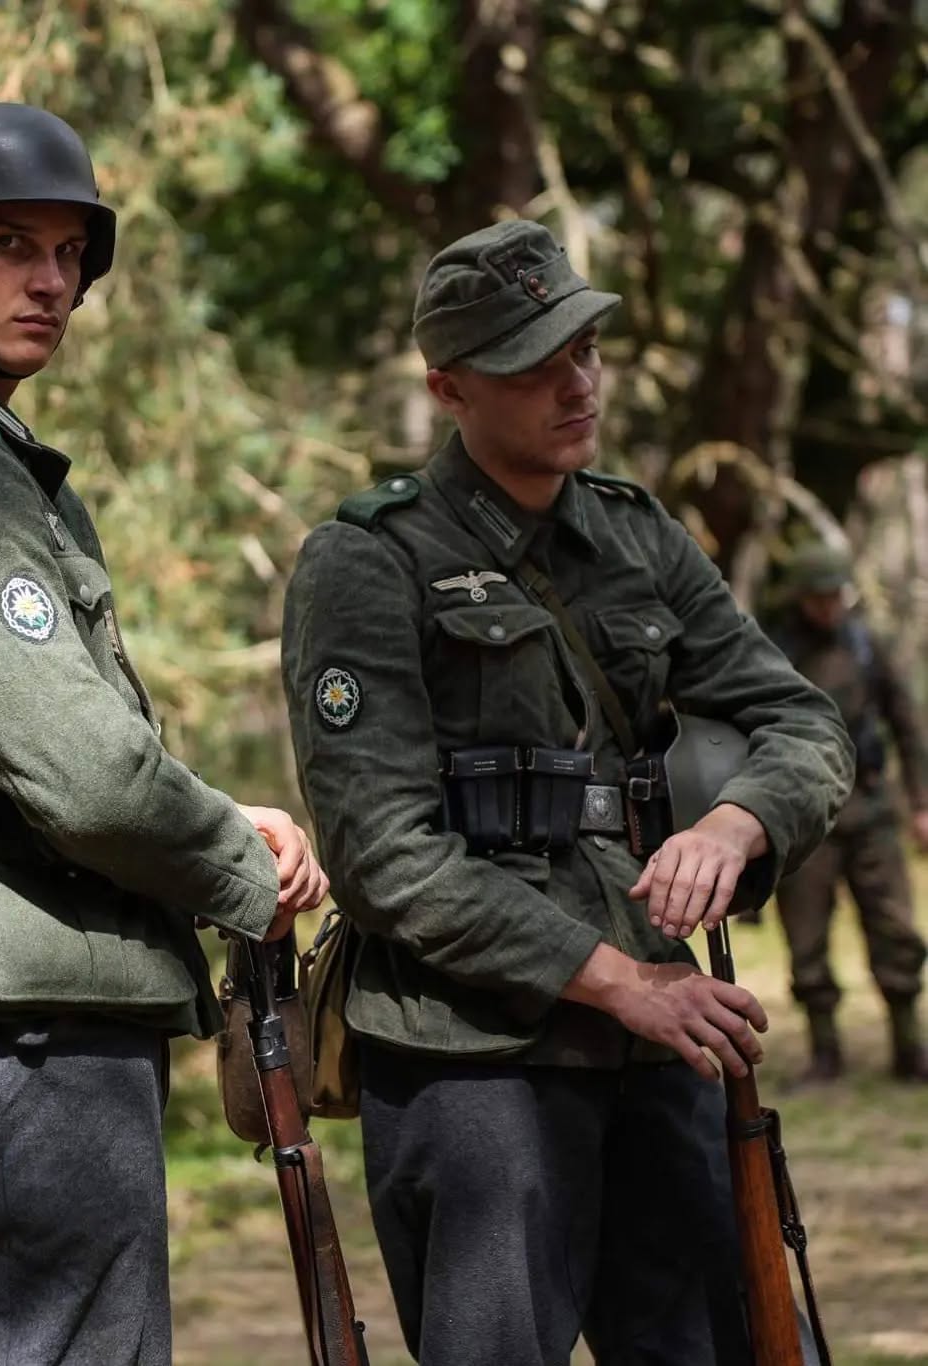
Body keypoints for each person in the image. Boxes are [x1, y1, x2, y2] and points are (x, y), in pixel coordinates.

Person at [0, 104, 327, 1366]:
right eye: (12, 244)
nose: (52, 283)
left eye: (72, 253)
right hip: (19, 1014)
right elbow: (89, 778)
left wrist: (214, 822)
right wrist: (240, 867)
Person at [280, 220, 853, 1365]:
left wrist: (736, 823)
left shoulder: (637, 537)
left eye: (583, 348)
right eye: (532, 363)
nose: (575, 382)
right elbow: (383, 853)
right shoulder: (371, 559)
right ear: (448, 386)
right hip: (473, 1054)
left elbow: (803, 721)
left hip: (655, 1042)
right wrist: (615, 981)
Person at [768, 542, 928, 1082]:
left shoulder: (865, 645)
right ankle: (825, 1052)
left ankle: (909, 1047)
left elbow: (907, 725)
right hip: (803, 815)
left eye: (836, 595)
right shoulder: (774, 651)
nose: (829, 606)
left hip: (871, 808)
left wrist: (922, 804)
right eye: (819, 597)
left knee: (896, 929)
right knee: (806, 937)